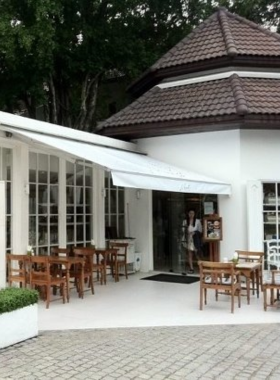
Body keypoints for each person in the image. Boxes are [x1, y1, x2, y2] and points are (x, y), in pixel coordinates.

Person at [182, 208, 202, 274]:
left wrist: (195, 232)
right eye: (190, 213)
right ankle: (191, 268)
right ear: (188, 214)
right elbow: (182, 230)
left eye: (192, 213)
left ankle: (201, 268)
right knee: (190, 254)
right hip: (188, 238)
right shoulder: (185, 221)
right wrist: (186, 232)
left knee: (197, 254)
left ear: (194, 214)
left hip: (195, 238)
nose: (191, 215)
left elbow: (200, 230)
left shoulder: (197, 221)